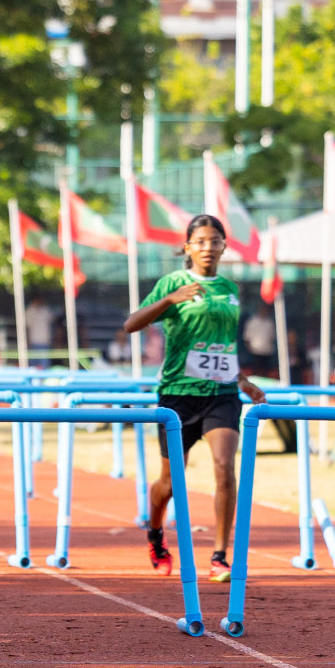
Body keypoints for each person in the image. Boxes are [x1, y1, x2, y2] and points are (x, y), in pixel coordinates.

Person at [124, 214, 264, 583]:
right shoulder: (173, 282)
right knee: (170, 484)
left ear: (224, 246)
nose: (208, 248)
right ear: (187, 247)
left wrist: (244, 381)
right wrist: (171, 299)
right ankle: (155, 533)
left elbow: (222, 348)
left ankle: (220, 556)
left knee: (224, 467)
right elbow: (131, 323)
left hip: (221, 394)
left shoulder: (229, 289)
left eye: (214, 241)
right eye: (200, 241)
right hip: (178, 395)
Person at [242, 303, 277, 378]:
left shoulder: (270, 323)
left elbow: (272, 337)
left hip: (267, 351)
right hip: (255, 351)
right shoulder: (252, 322)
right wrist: (250, 349)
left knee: (265, 372)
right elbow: (247, 337)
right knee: (256, 372)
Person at [25, 294, 54, 365]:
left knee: (44, 364)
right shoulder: (29, 311)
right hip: (34, 341)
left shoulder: (45, 310)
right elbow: (27, 327)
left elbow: (51, 320)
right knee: (34, 364)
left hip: (45, 341)